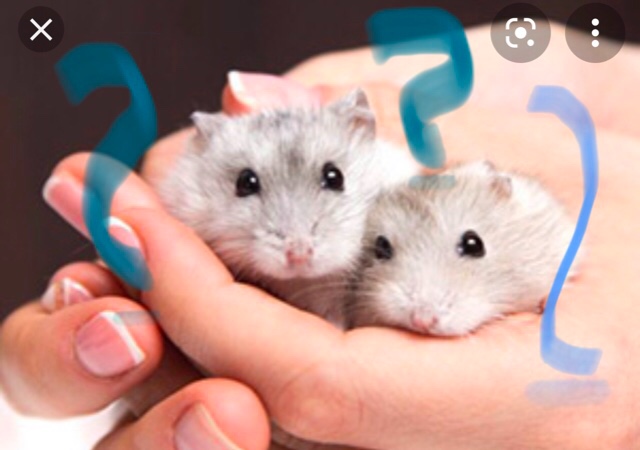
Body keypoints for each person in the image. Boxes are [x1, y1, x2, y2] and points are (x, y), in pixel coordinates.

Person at [1, 24, 639, 449]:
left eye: (331, 180)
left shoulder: (415, 184)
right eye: (247, 186)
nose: (297, 242)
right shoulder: (183, 201)